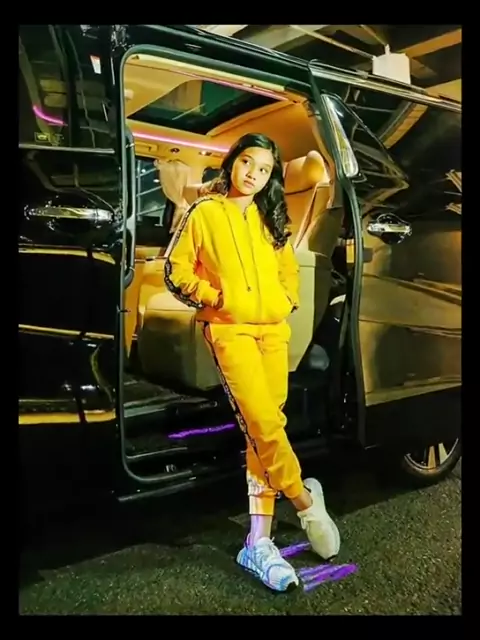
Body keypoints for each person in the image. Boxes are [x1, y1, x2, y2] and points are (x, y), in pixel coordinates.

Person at [164, 133, 340, 592]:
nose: (253, 175)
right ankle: (305, 503)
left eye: (264, 170)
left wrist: (285, 300)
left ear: (270, 178)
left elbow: (287, 271)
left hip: (273, 332)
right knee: (261, 422)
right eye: (247, 163)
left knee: (265, 430)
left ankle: (259, 541)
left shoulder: (270, 217)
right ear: (232, 162)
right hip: (230, 330)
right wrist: (216, 297)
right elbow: (174, 270)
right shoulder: (205, 212)